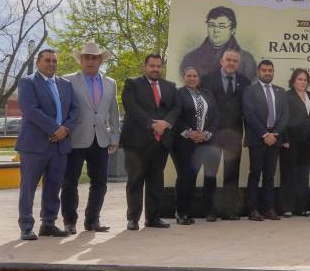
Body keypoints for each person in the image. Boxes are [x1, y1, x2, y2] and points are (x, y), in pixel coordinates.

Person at [15, 49, 79, 240]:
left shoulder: (65, 85)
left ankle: (48, 223)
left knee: (54, 185)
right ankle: (26, 226)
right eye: (47, 60)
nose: (51, 64)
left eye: (54, 61)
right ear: (38, 62)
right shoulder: (28, 82)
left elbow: (75, 111)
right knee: (28, 187)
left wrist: (64, 130)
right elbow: (30, 110)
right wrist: (54, 129)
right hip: (35, 144)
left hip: (60, 145)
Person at [62, 42, 119, 234]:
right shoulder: (67, 81)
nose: (90, 61)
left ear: (100, 60)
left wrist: (114, 136)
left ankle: (92, 220)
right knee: (70, 181)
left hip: (101, 139)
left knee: (100, 183)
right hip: (75, 138)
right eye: (86, 57)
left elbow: (113, 112)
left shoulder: (111, 83)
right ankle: (69, 222)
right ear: (81, 60)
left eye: (94, 58)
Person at [121, 53, 179, 230]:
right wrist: (152, 124)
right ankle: (133, 219)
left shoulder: (170, 86)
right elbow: (131, 107)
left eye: (158, 66)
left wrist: (166, 123)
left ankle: (153, 218)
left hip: (160, 142)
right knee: (135, 180)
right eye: (152, 66)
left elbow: (176, 108)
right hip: (136, 142)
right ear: (144, 67)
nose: (155, 69)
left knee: (156, 181)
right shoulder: (132, 84)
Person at [201, 49, 250, 220]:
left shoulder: (245, 82)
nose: (231, 63)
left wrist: (248, 134)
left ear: (238, 64)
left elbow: (247, 111)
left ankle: (229, 210)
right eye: (228, 60)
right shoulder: (207, 80)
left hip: (235, 134)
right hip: (212, 134)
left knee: (232, 173)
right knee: (210, 172)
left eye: (235, 61)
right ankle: (209, 210)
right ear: (221, 61)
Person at [242, 60, 288, 221]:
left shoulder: (280, 91)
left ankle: (269, 208)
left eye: (270, 70)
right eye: (264, 70)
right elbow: (249, 114)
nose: (267, 73)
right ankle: (252, 209)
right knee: (255, 174)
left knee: (270, 175)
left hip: (275, 138)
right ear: (258, 72)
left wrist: (274, 134)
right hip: (257, 137)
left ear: (273, 72)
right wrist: (264, 134)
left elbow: (284, 116)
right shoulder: (250, 90)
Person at [172, 67, 219, 225]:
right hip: (185, 143)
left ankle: (209, 210)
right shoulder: (178, 94)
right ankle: (181, 213)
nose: (192, 78)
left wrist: (206, 133)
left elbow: (215, 116)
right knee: (186, 178)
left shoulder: (207, 94)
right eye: (188, 76)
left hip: (206, 141)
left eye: (195, 75)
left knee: (210, 177)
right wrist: (190, 133)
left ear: (198, 78)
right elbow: (175, 117)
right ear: (183, 77)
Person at [180, 6, 258, 81]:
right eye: (211, 25)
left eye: (221, 26)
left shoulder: (247, 60)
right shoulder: (191, 58)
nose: (215, 30)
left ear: (232, 30)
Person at [280, 68, 310, 217]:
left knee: (303, 173)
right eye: (299, 79)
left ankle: (302, 207)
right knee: (289, 174)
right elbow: (282, 118)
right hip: (290, 141)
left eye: (305, 80)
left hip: (306, 141)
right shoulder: (286, 96)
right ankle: (287, 207)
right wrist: (284, 139)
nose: (302, 82)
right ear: (293, 81)